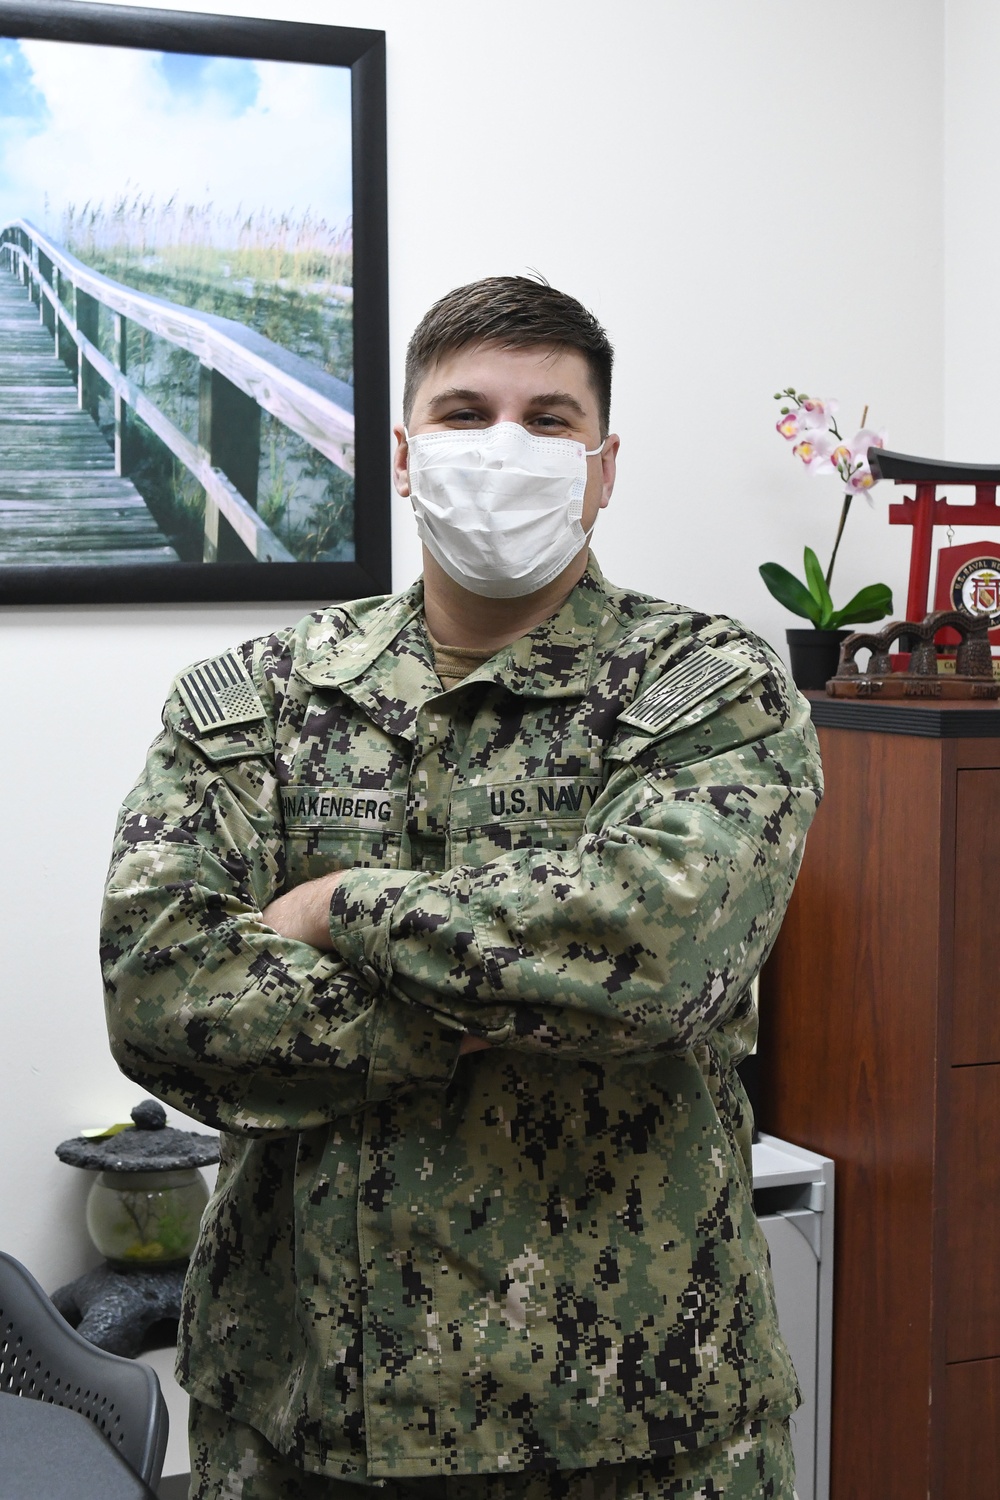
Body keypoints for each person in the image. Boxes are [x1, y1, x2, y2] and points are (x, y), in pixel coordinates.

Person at [101, 276, 822, 1500]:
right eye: (464, 411)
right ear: (402, 454)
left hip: (630, 1418)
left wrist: (338, 910)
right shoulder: (263, 700)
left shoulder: (710, 687)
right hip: (307, 1403)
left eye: (549, 419)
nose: (506, 447)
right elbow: (166, 994)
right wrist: (540, 1008)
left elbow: (655, 954)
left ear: (602, 468)